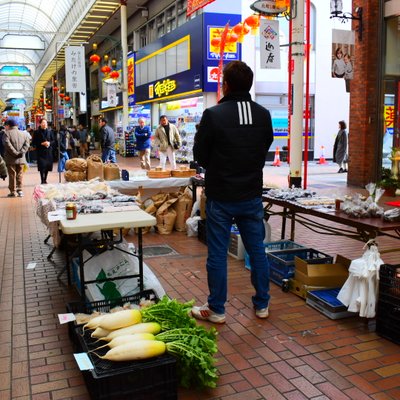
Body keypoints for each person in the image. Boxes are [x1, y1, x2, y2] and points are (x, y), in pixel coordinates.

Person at [191, 60, 274, 324]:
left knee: (217, 254)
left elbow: (200, 155)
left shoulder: (214, 115)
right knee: (256, 250)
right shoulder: (263, 114)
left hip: (221, 196)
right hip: (251, 194)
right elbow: (266, 146)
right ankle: (262, 304)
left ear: (225, 85)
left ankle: (217, 309)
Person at [3, 119, 30, 197]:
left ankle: (12, 191)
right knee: (20, 174)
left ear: (8, 126)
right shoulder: (24, 134)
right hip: (21, 158)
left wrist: (15, 153)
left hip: (10, 159)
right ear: (16, 126)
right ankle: (20, 190)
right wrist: (21, 152)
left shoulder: (6, 134)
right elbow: (27, 144)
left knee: (12, 175)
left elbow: (7, 145)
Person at [32, 118, 55, 184]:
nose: (44, 124)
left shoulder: (50, 131)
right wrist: (41, 143)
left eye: (45, 123)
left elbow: (53, 141)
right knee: (42, 166)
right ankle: (42, 180)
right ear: (40, 124)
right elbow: (34, 142)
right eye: (43, 123)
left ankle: (45, 179)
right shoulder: (36, 132)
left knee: (47, 166)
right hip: (40, 151)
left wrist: (49, 143)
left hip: (48, 151)